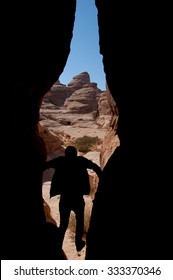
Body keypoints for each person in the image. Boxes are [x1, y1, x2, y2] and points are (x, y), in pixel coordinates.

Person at [43, 145, 102, 252]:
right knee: (80, 221)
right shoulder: (81, 161)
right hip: (77, 198)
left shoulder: (61, 161)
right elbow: (95, 167)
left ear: (66, 154)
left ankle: (58, 245)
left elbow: (45, 165)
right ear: (75, 153)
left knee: (63, 224)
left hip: (65, 198)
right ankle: (78, 243)